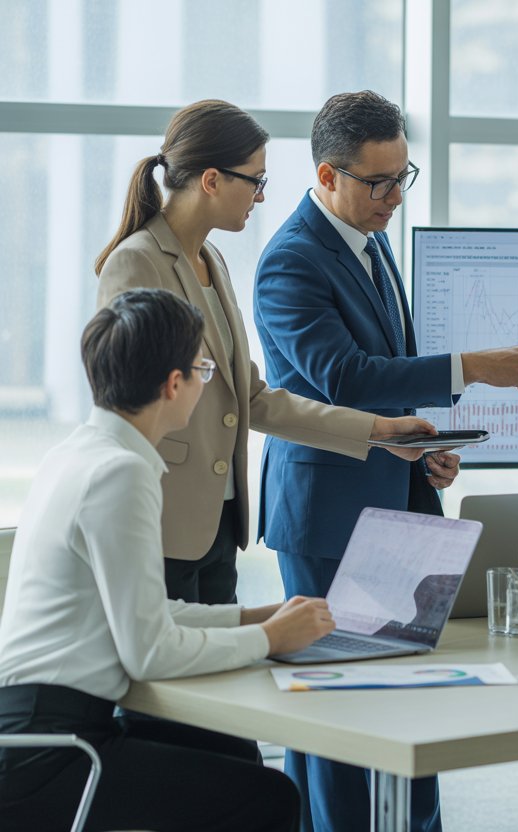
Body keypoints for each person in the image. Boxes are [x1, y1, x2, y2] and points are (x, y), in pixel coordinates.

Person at [253, 89, 518, 832]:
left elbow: (380, 387)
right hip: (328, 517)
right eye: (378, 182)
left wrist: (422, 450)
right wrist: (470, 367)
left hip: (395, 503)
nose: (394, 197)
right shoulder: (291, 261)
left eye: (403, 177)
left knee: (405, 706)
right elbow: (345, 378)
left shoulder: (373, 241)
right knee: (339, 724)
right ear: (328, 176)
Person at [0, 289, 348, 832]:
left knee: (229, 767)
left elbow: (147, 613)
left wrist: (254, 617)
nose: (204, 383)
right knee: (268, 796)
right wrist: (271, 640)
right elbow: (149, 652)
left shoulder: (74, 454)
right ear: (173, 384)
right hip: (55, 752)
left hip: (31, 732)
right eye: (202, 369)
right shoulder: (121, 473)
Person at [95, 99, 436, 607]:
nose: (260, 195)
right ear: (212, 180)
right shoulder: (136, 263)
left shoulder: (212, 259)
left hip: (220, 519)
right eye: (255, 180)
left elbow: (250, 398)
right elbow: (125, 406)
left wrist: (382, 432)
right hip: (163, 515)